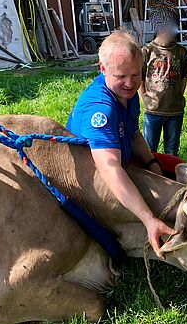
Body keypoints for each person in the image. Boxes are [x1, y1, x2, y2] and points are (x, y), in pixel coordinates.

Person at [66, 30, 175, 258]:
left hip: (121, 156)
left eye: (136, 75)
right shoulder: (100, 109)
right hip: (93, 182)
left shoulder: (127, 93)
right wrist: (148, 219)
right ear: (102, 68)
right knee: (160, 199)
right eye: (121, 76)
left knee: (175, 166)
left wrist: (152, 161)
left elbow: (133, 132)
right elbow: (110, 168)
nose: (130, 83)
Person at [139, 2, 187, 156]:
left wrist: (178, 96)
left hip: (174, 111)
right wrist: (144, 97)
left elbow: (184, 78)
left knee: (172, 149)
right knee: (149, 149)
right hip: (152, 110)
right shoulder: (147, 51)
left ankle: (170, 176)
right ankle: (151, 175)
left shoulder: (181, 52)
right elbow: (141, 77)